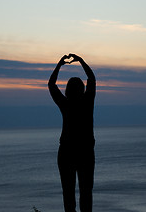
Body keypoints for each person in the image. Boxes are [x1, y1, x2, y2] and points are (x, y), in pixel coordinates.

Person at [48, 54, 96, 212]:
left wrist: (59, 65)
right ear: (82, 89)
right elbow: (92, 78)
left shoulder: (65, 104)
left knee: (68, 194)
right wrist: (81, 61)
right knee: (86, 193)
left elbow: (51, 84)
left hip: (67, 152)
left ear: (67, 90)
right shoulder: (87, 102)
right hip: (85, 152)